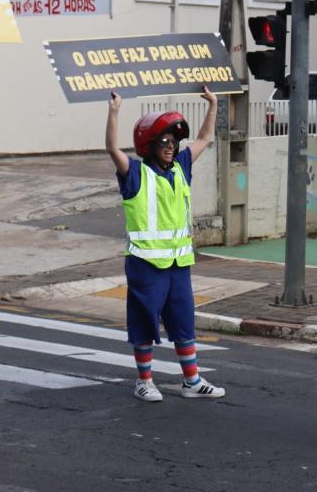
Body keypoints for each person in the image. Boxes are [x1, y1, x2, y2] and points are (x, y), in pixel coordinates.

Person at [105, 86, 225, 402]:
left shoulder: (181, 167)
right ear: (150, 144)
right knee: (144, 323)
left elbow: (205, 139)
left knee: (183, 321)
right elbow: (112, 149)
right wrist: (114, 111)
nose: (171, 147)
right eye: (164, 142)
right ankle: (144, 381)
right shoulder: (135, 173)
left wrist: (213, 105)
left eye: (173, 142)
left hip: (178, 264)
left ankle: (192, 381)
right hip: (145, 265)